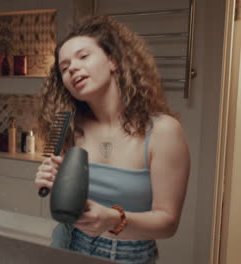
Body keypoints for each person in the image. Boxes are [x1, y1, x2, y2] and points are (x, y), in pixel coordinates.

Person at [34, 15, 190, 264]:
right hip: (67, 244)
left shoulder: (163, 132)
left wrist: (113, 220)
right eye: (64, 67)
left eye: (83, 56)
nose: (72, 68)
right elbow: (71, 207)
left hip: (128, 256)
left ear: (113, 60)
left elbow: (168, 223)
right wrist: (56, 183)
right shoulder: (71, 129)